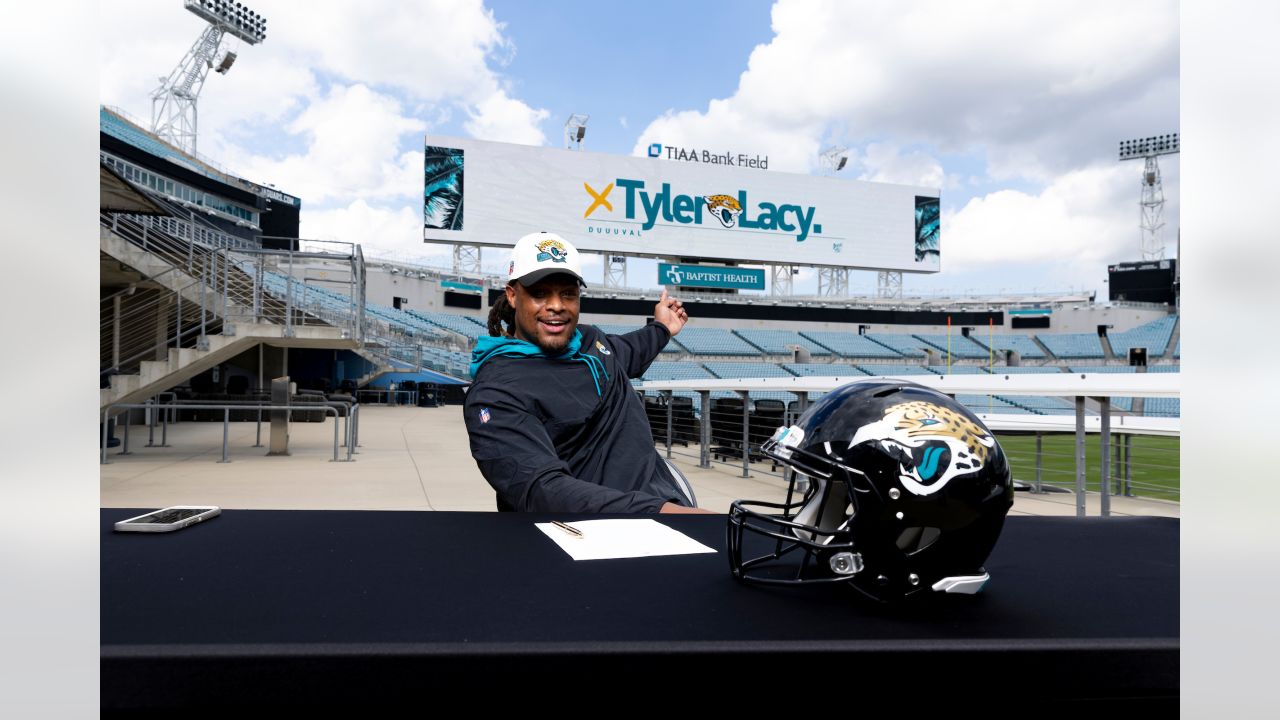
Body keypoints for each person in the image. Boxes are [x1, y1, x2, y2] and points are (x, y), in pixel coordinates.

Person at [464, 231, 713, 514]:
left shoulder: (589, 341)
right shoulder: (495, 390)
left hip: (663, 499)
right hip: (590, 536)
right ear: (512, 295)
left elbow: (631, 351)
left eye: (568, 293)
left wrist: (662, 328)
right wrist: (663, 512)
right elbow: (541, 490)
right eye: (539, 293)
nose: (557, 305)